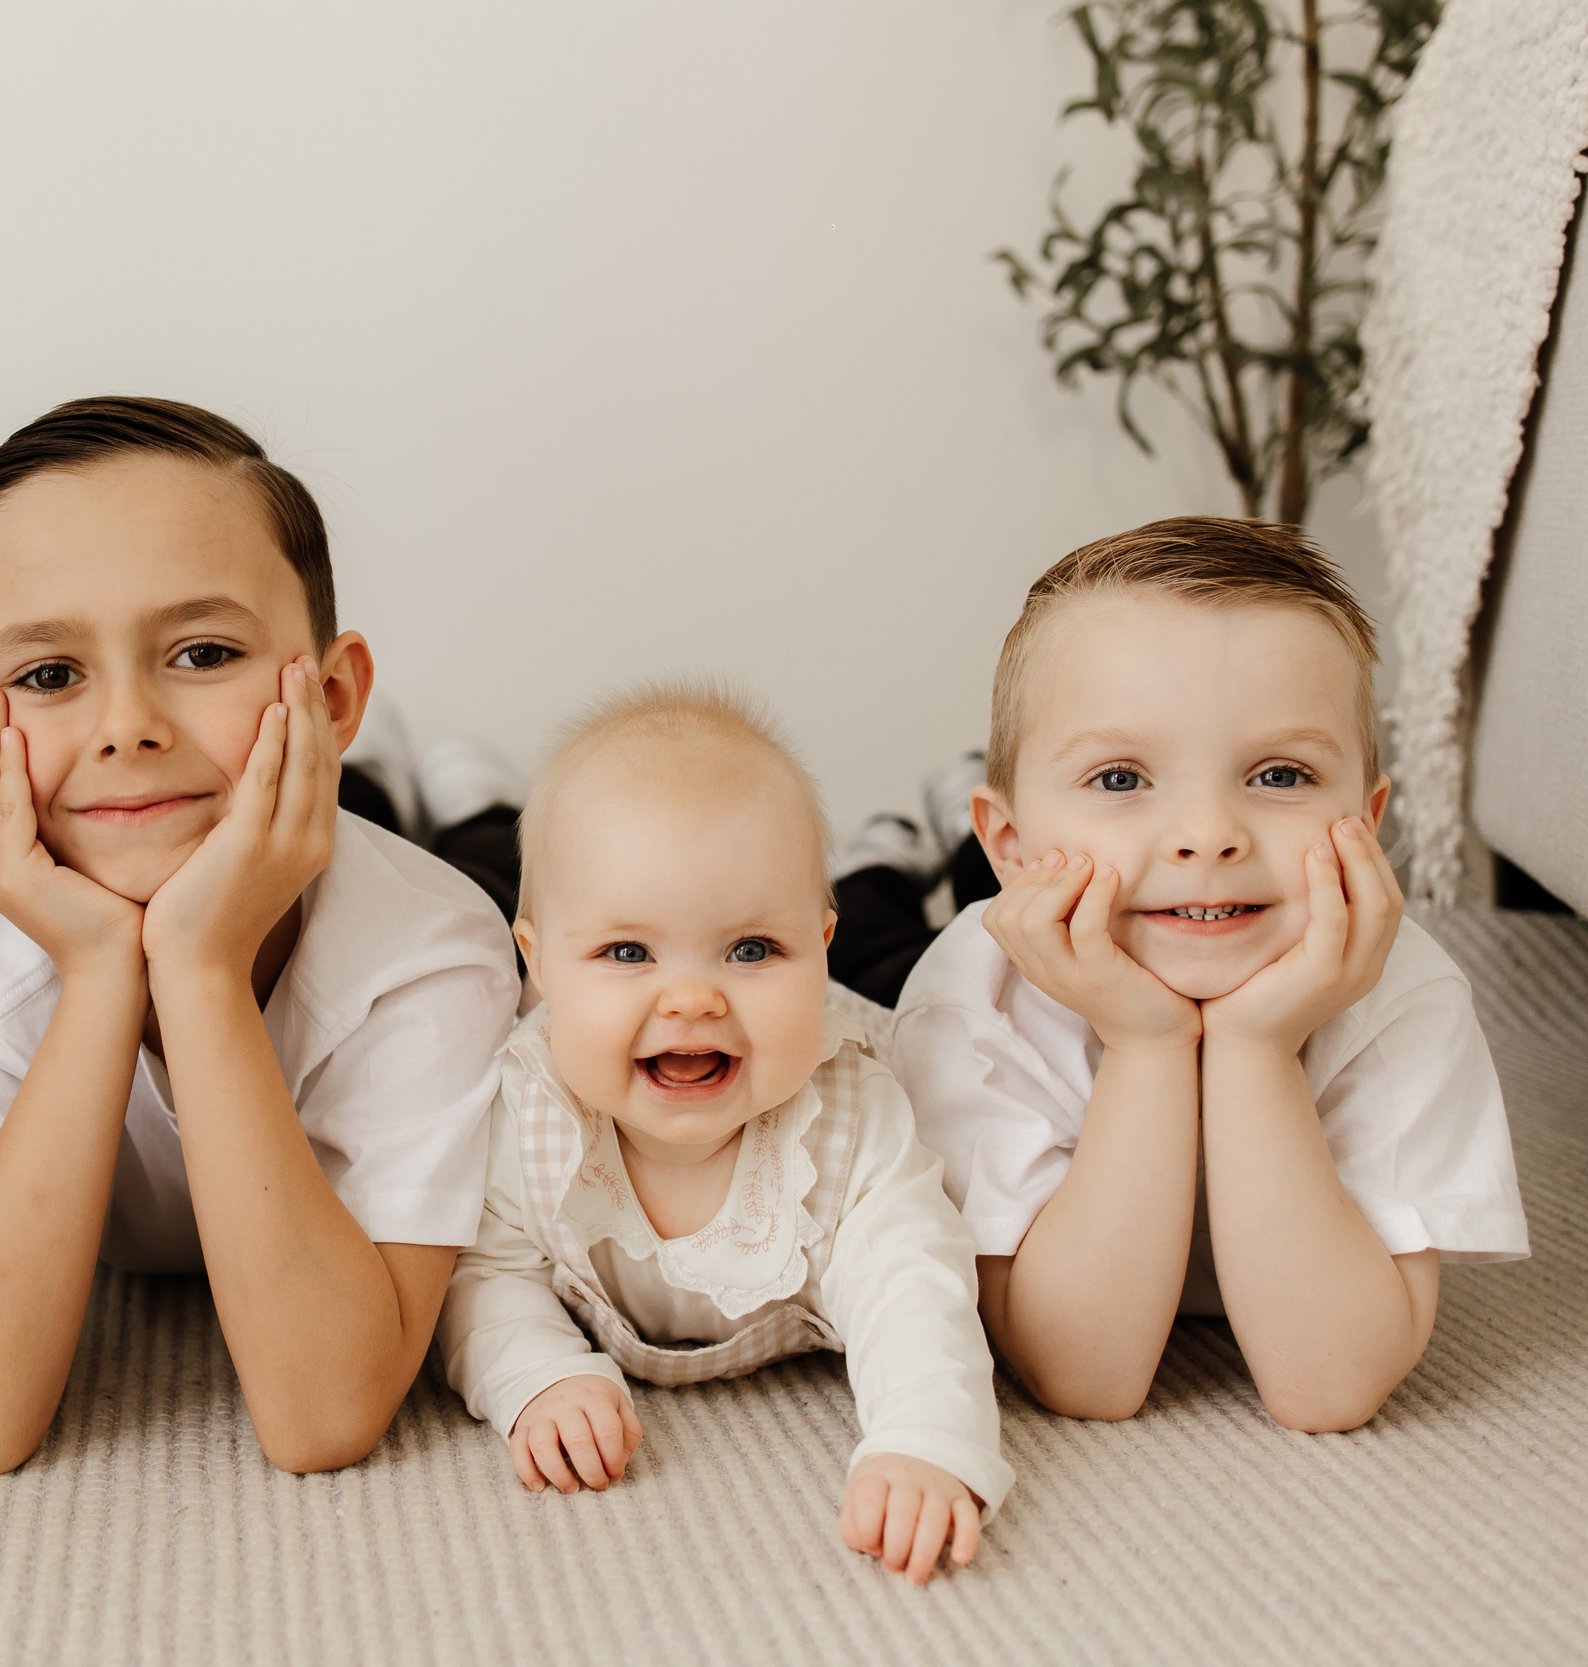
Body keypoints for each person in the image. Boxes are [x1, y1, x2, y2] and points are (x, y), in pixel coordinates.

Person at [0, 397, 521, 1475]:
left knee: (532, 872)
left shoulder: (432, 949)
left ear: (328, 694)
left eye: (203, 651)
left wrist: (203, 965)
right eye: (49, 676)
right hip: (161, 831)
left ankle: (459, 790)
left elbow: (322, 1412)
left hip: (384, 861)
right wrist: (98, 971)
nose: (127, 724)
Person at [888, 517, 1530, 1430]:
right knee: (860, 944)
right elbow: (1084, 1375)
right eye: (1120, 778)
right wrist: (1145, 1044)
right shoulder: (972, 998)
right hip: (1018, 928)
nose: (1208, 831)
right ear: (1013, 841)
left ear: (1368, 818)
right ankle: (904, 852)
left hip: (1143, 902)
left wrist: (1255, 1045)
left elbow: (1330, 1386)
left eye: (1279, 774)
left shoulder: (1402, 992)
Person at [436, 683, 1010, 1585]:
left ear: (818, 950)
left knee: (931, 951)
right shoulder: (531, 1104)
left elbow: (915, 1281)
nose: (693, 997)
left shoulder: (851, 1114)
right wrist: (539, 1374)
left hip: (889, 983)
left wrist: (925, 1437)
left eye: (751, 949)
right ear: (536, 965)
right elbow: (483, 1270)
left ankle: (888, 863)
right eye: (628, 952)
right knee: (460, 866)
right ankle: (453, 792)